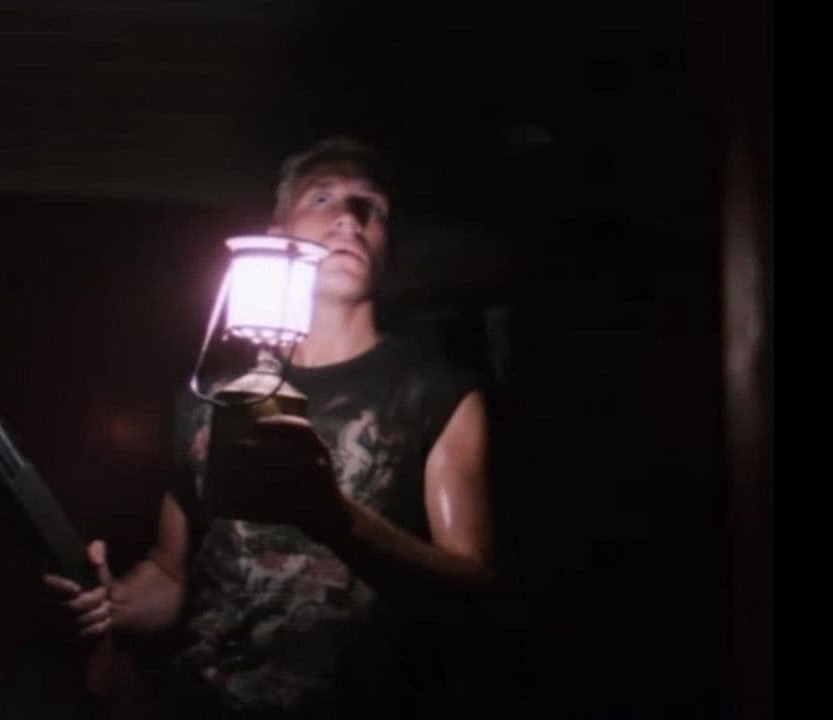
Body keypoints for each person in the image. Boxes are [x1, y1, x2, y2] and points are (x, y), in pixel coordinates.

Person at [45, 137, 496, 718]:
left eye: (371, 207)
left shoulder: (436, 393)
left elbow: (473, 596)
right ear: (275, 236)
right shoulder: (213, 398)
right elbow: (170, 572)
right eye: (323, 198)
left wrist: (336, 521)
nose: (349, 218)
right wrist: (112, 601)